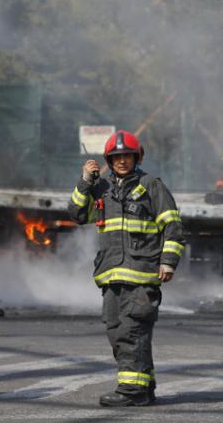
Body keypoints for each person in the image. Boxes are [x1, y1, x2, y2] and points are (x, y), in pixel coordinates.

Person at [68, 130, 186, 407]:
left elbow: (173, 225)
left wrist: (168, 261)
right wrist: (85, 181)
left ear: (137, 157)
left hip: (142, 275)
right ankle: (144, 386)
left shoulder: (151, 185)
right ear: (109, 160)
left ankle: (131, 392)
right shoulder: (102, 188)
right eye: (117, 156)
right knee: (116, 329)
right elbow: (77, 214)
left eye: (127, 156)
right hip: (111, 275)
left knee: (131, 331)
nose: (122, 161)